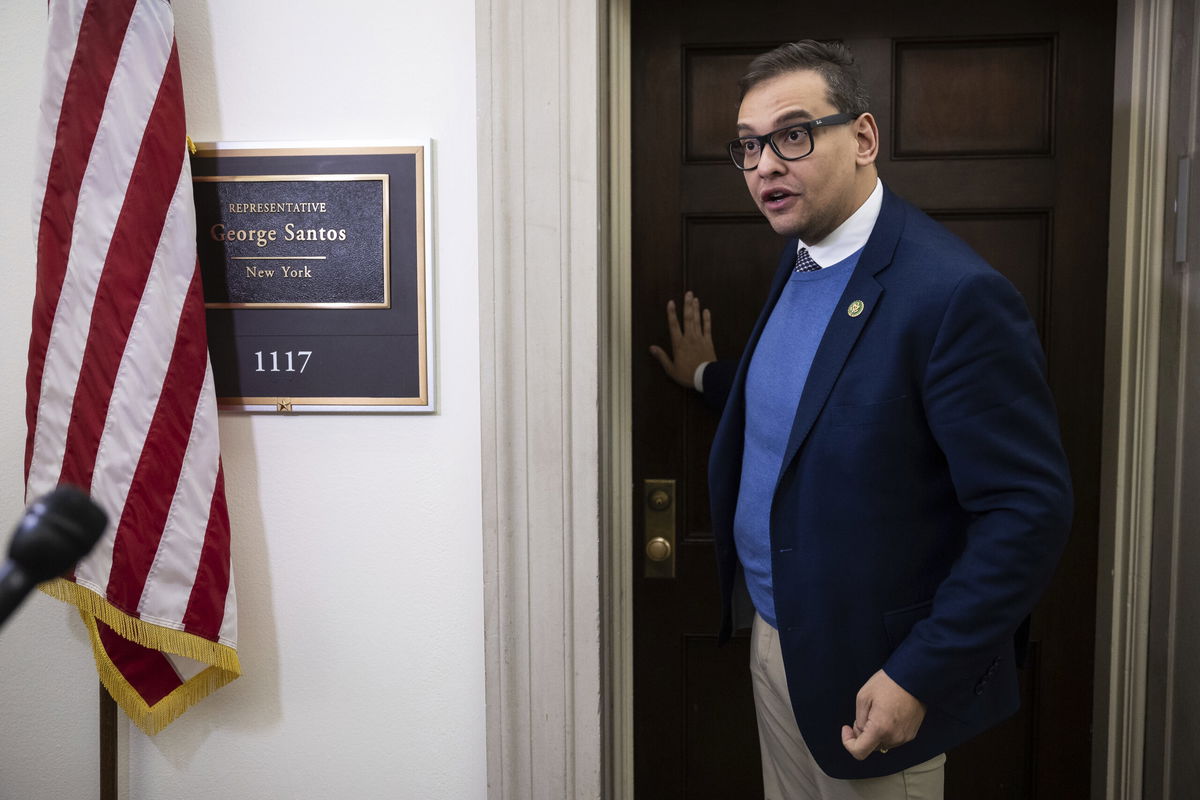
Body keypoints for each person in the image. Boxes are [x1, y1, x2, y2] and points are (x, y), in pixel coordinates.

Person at [650, 40, 1072, 799]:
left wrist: (920, 671)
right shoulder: (805, 251)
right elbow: (821, 403)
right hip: (776, 643)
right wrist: (712, 376)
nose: (765, 165)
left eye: (793, 135)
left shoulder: (953, 297)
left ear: (865, 138)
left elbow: (1027, 512)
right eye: (748, 147)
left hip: (877, 677)